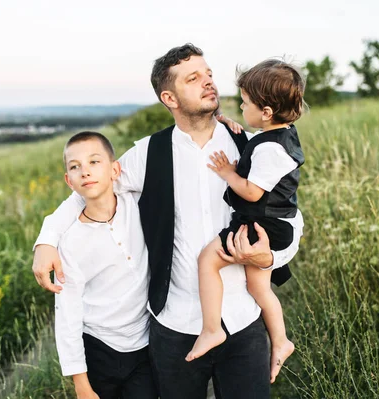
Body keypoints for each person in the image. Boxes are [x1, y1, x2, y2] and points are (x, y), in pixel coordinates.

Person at [32, 44, 304, 398]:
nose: (208, 82)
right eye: (193, 78)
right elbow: (88, 190)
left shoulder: (251, 145)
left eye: (208, 74)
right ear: (170, 97)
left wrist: (270, 258)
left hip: (244, 320)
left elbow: (290, 217)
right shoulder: (148, 153)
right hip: (174, 325)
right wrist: (47, 239)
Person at [186, 59, 305, 377]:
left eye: (246, 103)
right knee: (258, 286)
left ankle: (212, 329)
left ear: (266, 112)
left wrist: (228, 172)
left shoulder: (270, 150)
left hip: (260, 225)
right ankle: (280, 341)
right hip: (274, 223)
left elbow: (252, 192)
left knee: (207, 260)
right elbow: (261, 144)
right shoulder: (281, 136)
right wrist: (232, 125)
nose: (241, 106)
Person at [54, 131, 156, 399]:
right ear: (69, 181)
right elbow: (68, 313)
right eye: (75, 167)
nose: (85, 172)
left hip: (144, 344)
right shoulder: (69, 241)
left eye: (94, 162)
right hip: (99, 348)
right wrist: (80, 383)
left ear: (115, 170)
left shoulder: (136, 204)